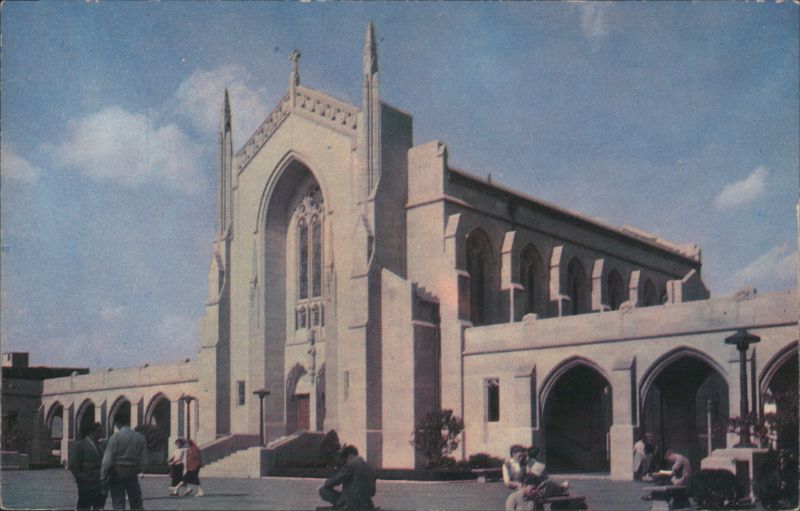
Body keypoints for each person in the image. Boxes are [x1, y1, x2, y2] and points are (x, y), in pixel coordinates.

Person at [100, 410, 147, 510]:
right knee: (136, 501)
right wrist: (140, 469)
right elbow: (144, 458)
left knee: (118, 501)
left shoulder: (115, 437)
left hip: (117, 473)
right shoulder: (140, 437)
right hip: (132, 472)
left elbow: (108, 459)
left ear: (117, 423)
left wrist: (103, 476)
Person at [319, 445, 377, 511]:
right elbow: (372, 492)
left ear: (350, 456)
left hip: (351, 505)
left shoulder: (351, 464)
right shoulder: (371, 467)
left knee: (323, 490)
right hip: (366, 504)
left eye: (345, 458)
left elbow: (332, 482)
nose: (345, 460)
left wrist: (328, 481)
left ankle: (341, 506)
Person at [69, 421, 107, 510]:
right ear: (92, 432)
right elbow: (74, 465)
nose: (101, 433)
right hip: (86, 485)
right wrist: (82, 478)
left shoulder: (101, 445)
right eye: (99, 431)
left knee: (98, 507)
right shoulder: (80, 445)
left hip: (100, 485)